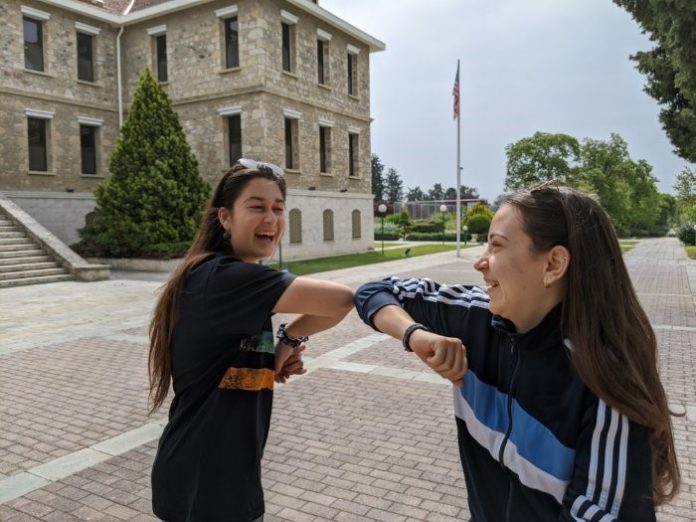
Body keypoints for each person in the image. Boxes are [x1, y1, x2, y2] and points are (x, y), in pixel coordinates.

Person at [354, 185, 680, 521]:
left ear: (553, 264)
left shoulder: (604, 378)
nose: (480, 262)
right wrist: (415, 335)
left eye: (496, 245)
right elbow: (375, 291)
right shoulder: (476, 317)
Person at [148, 158, 354, 522]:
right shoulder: (226, 278)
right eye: (257, 207)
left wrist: (285, 343)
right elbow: (341, 300)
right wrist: (286, 342)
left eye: (278, 208)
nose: (271, 219)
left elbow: (333, 310)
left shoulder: (229, 279)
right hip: (204, 487)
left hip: (224, 481)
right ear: (225, 217)